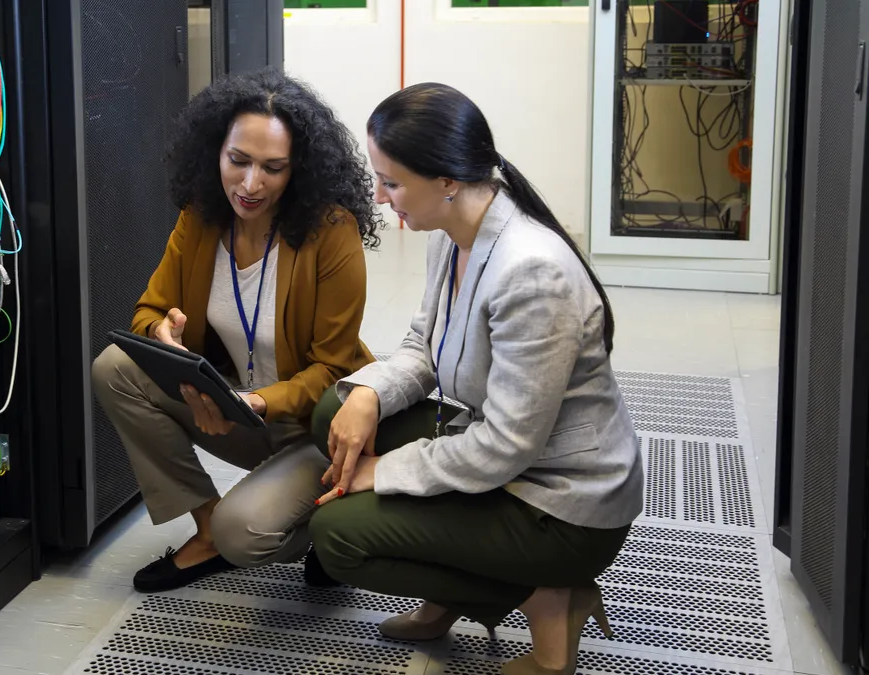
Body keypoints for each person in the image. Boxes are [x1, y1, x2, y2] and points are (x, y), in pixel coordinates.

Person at [307, 83, 644, 675]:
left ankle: (550, 593)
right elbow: (422, 348)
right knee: (332, 414)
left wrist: (381, 472)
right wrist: (368, 394)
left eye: (392, 182)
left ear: (447, 181)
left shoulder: (530, 271)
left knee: (337, 536)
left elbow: (506, 448)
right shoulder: (455, 236)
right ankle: (456, 589)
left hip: (559, 506)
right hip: (507, 459)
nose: (382, 198)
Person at [91, 68, 382, 593]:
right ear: (215, 153)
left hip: (314, 425)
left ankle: (329, 528)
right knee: (114, 369)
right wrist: (166, 337)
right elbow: (146, 312)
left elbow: (335, 367)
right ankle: (207, 530)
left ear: (300, 170)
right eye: (238, 161)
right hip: (233, 408)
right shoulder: (201, 217)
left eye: (273, 168)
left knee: (244, 535)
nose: (250, 185)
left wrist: (258, 402)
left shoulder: (331, 231)